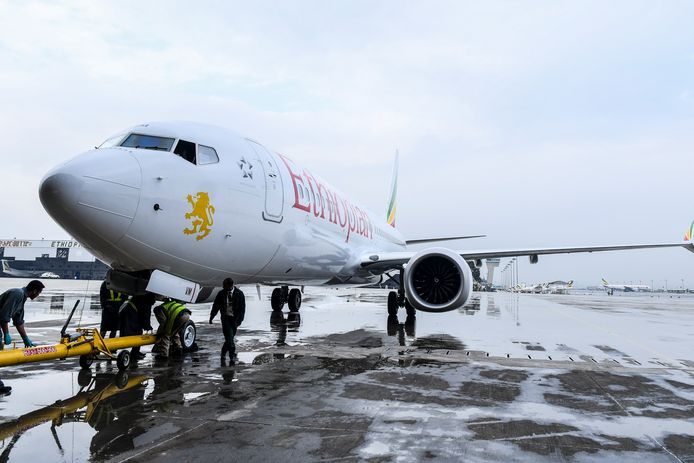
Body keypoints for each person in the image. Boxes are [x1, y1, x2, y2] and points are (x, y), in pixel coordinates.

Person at [0, 279, 45, 395]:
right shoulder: (17, 294)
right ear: (34, 291)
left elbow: (19, 321)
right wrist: (6, 333)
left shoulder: (22, 298)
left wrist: (26, 338)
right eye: (39, 293)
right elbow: (4, 316)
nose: (38, 295)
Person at [209, 278, 245, 362]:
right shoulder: (221, 293)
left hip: (234, 320)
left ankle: (223, 352)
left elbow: (242, 308)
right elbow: (216, 306)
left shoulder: (239, 294)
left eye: (225, 286)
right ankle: (232, 357)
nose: (223, 287)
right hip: (226, 319)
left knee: (230, 338)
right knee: (230, 340)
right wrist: (211, 317)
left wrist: (240, 320)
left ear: (231, 286)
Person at [119, 293, 155, 361]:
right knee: (138, 332)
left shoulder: (142, 296)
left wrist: (146, 325)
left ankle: (135, 352)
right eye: (154, 300)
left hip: (125, 309)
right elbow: (145, 315)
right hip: (129, 312)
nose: (155, 302)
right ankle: (134, 353)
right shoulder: (147, 302)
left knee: (137, 330)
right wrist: (147, 326)